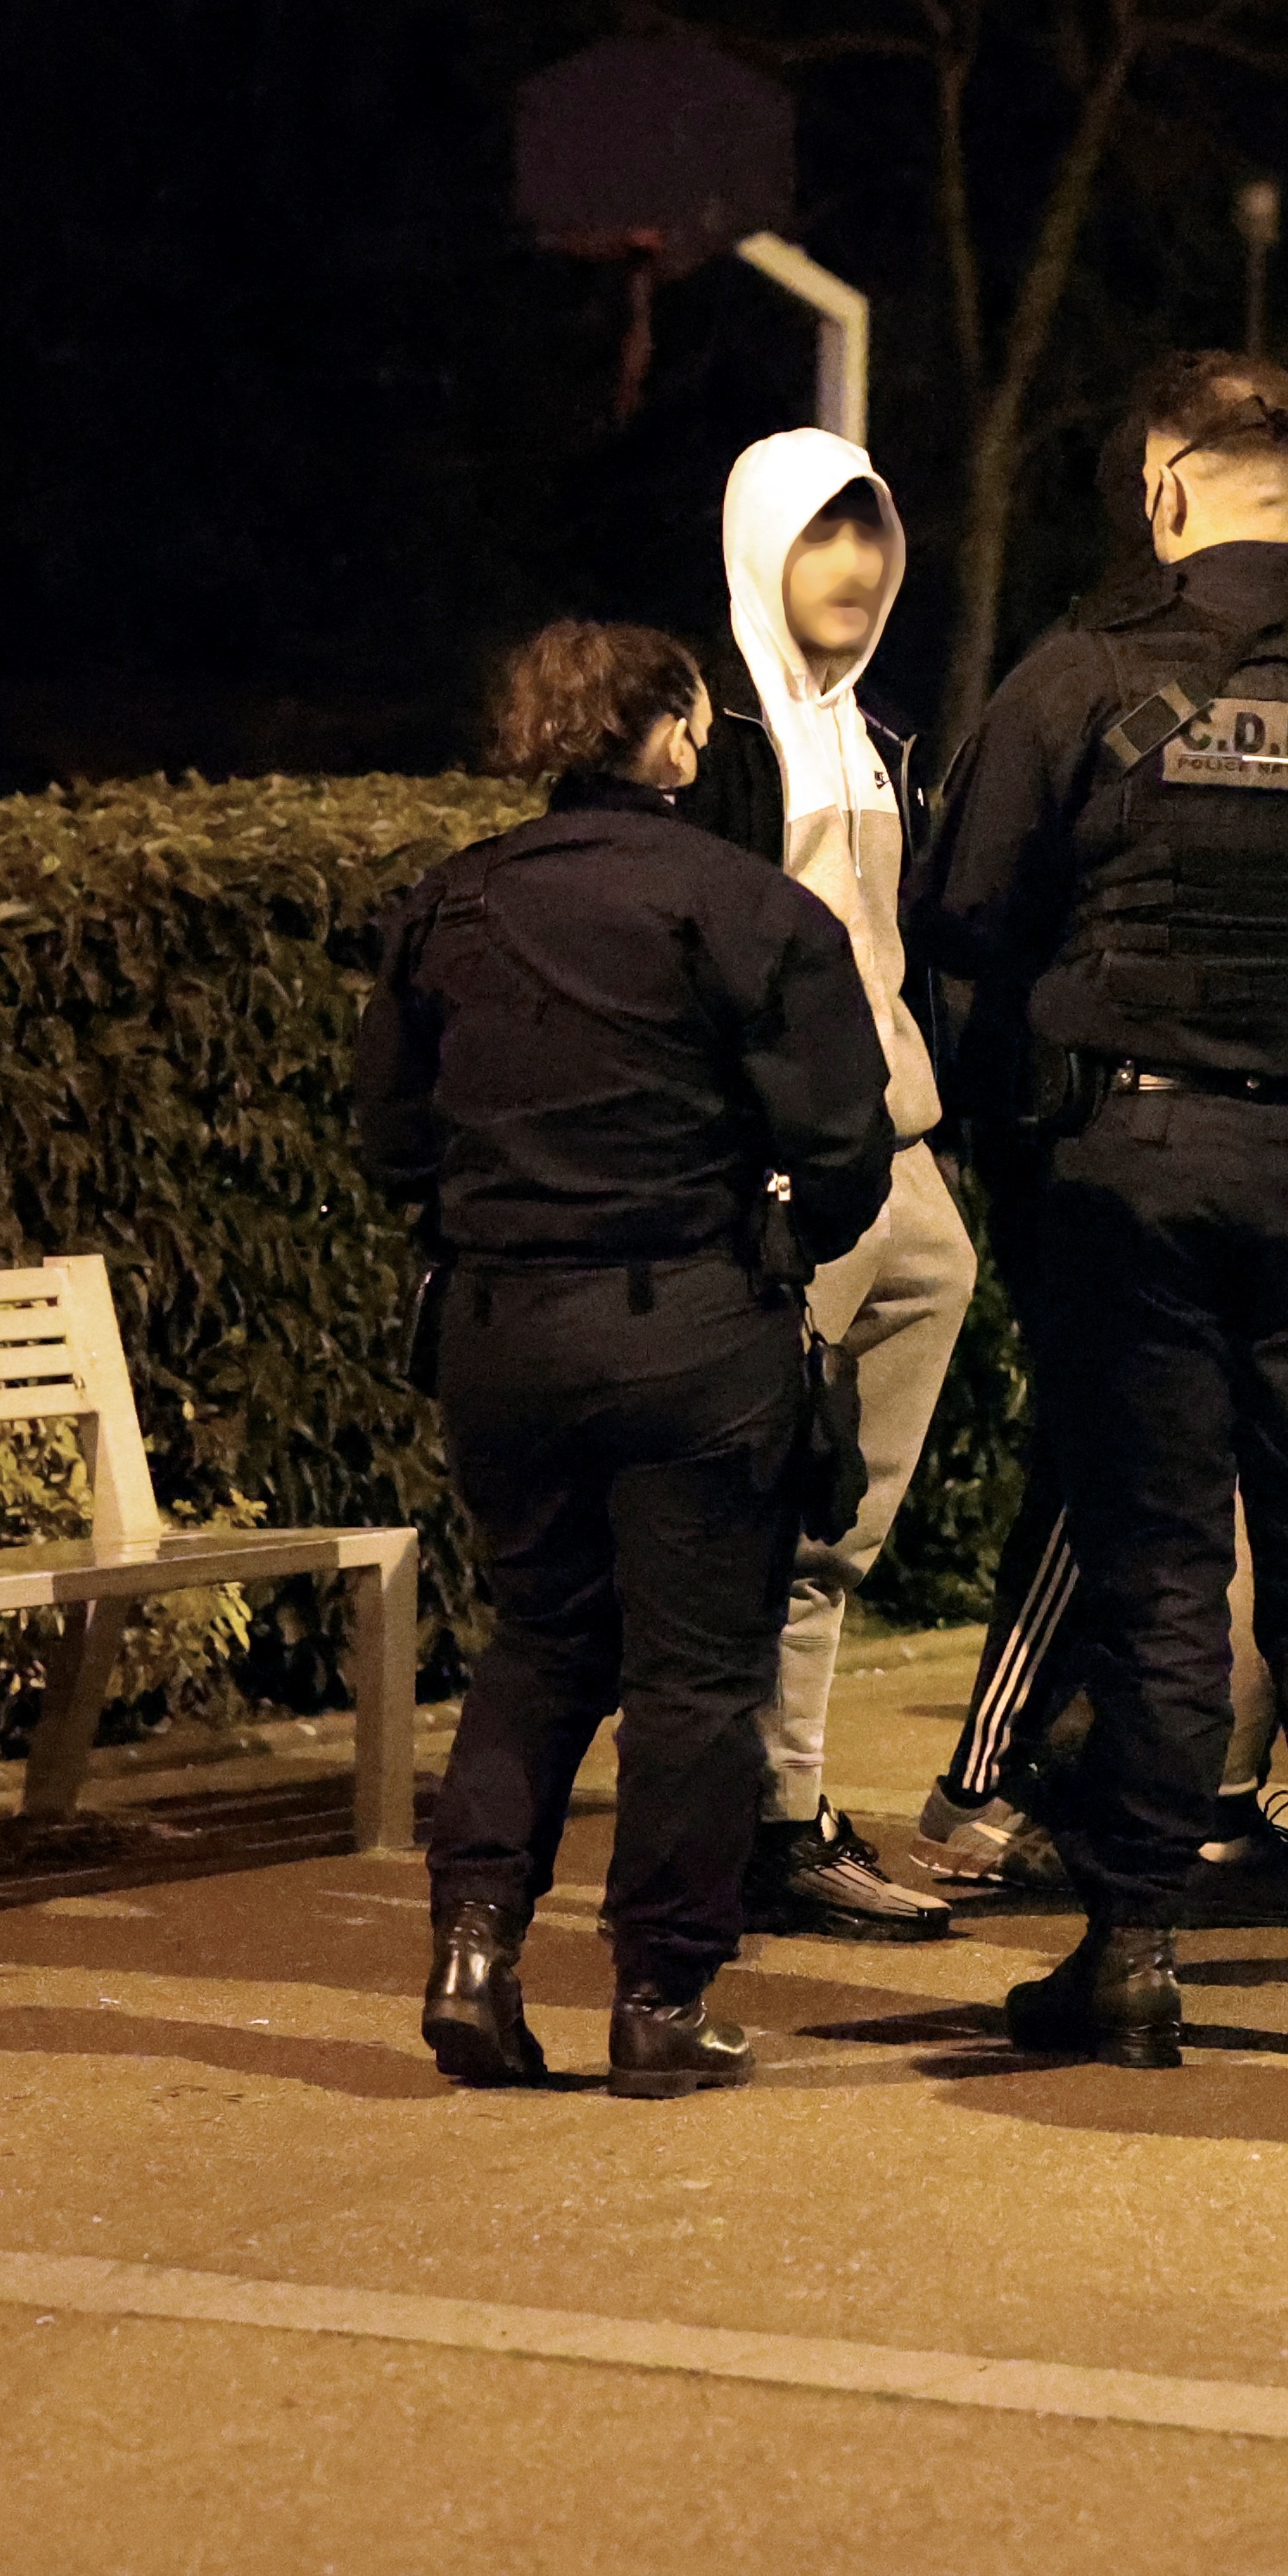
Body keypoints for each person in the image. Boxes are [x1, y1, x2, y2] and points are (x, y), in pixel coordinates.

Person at [914, 353, 1288, 2068]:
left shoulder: (1081, 675)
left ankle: (1127, 1955)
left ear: (1163, 493)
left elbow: (965, 909)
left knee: (1160, 1566)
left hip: (1137, 1173)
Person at [355, 618, 898, 2102]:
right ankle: (660, 1996)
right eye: (693, 724)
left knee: (537, 1641)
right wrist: (769, 1225)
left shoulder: (445, 906)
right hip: (691, 1330)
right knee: (696, 1677)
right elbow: (844, 1149)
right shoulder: (747, 908)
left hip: (500, 1334)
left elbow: (393, 1139)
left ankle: (473, 1950)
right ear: (664, 738)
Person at [683, 431, 990, 1949]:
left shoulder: (880, 739)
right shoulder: (722, 742)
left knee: (836, 1531)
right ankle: (741, 1823)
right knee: (753, 1515)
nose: (856, 572)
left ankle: (780, 1809)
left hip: (905, 1173)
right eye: (824, 539)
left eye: (872, 540)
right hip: (784, 1185)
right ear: (761, 549)